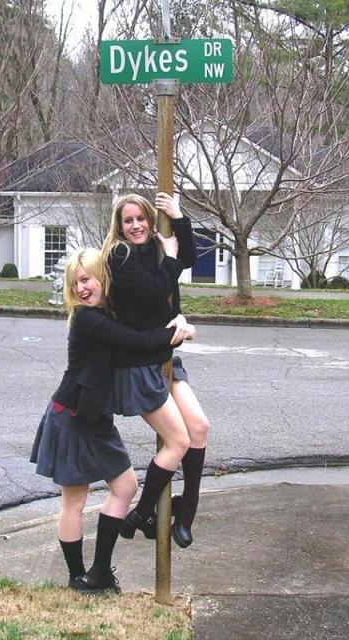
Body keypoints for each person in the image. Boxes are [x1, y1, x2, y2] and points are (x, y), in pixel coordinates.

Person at [30, 248, 195, 595]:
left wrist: (174, 317)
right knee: (74, 500)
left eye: (86, 279)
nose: (81, 288)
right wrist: (178, 332)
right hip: (72, 417)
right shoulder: (88, 319)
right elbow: (137, 341)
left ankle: (100, 571)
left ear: (103, 278)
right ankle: (78, 577)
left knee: (125, 487)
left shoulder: (107, 314)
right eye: (75, 284)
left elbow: (147, 317)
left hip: (95, 417)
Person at [101, 191, 210, 548]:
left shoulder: (156, 248)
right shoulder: (119, 256)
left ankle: (187, 515)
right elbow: (152, 292)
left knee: (199, 427)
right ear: (119, 226)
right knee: (179, 441)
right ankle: (143, 511)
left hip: (165, 358)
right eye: (128, 221)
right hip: (140, 364)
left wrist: (177, 218)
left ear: (150, 219)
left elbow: (188, 257)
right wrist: (172, 258)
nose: (136, 226)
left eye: (141, 219)